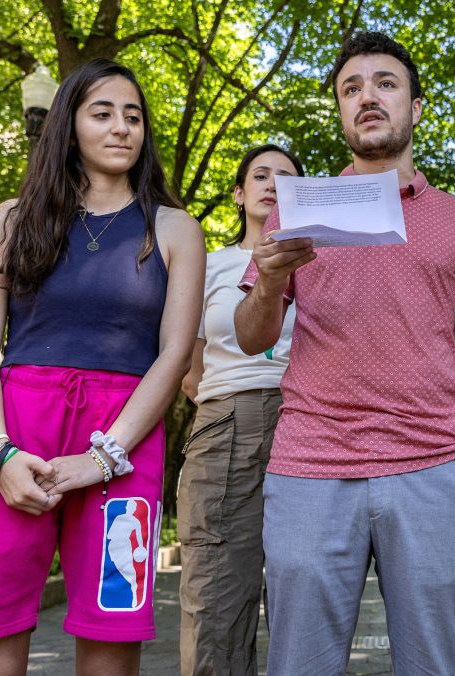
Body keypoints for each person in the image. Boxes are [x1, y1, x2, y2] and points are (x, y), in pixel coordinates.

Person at [234, 31, 455, 674]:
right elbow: (252, 337)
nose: (368, 97)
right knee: (298, 664)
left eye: (386, 83)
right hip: (311, 466)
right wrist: (272, 277)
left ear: (416, 108)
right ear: (340, 111)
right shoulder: (295, 212)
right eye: (351, 88)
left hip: (435, 466)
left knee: (434, 665)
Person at [0, 59, 205, 675]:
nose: (121, 128)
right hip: (13, 434)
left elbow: (173, 355)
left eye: (133, 116)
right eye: (102, 113)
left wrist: (103, 457)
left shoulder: (176, 229)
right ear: (68, 125)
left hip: (124, 447)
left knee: (110, 650)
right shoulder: (8, 220)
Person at [177, 143, 304, 675]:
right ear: (238, 192)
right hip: (230, 421)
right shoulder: (210, 265)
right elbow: (186, 364)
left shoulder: (321, 264)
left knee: (307, 598)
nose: (272, 184)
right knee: (218, 596)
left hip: (309, 424)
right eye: (260, 175)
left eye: (286, 177)